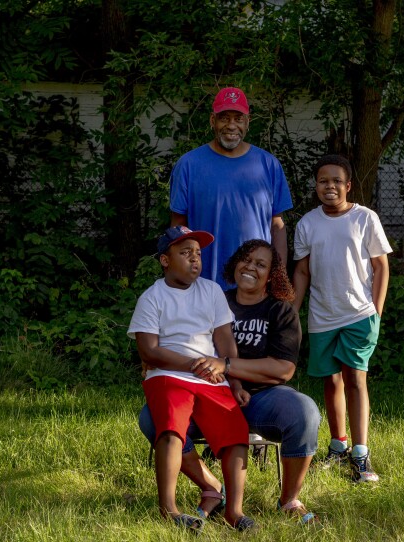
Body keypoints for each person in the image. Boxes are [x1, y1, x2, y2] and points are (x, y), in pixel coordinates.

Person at [139, 239, 321, 524]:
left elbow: (283, 369)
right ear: (235, 263)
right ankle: (211, 487)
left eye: (261, 264)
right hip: (206, 386)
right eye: (246, 260)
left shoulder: (280, 311)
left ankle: (288, 500)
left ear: (272, 274)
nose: (251, 267)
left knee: (305, 412)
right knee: (152, 419)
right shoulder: (212, 296)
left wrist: (229, 368)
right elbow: (174, 334)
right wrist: (155, 356)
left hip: (261, 397)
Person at [128, 225, 256, 533]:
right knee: (172, 429)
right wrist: (191, 363)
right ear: (165, 260)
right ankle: (169, 509)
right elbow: (149, 350)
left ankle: (234, 512)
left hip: (210, 376)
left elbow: (225, 342)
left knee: (236, 433)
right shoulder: (152, 297)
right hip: (168, 375)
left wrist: (235, 381)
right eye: (185, 253)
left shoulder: (211, 291)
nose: (195, 260)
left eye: (198, 254)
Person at [292, 154, 392, 483]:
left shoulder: (365, 218)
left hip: (359, 314)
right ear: (316, 186)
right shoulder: (307, 223)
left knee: (355, 379)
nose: (330, 186)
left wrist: (376, 310)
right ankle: (338, 448)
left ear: (348, 186)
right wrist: (294, 309)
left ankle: (361, 455)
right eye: (323, 181)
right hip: (322, 315)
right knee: (330, 380)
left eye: (336, 181)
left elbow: (380, 266)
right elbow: (303, 270)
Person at [169, 86, 293, 290]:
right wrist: (181, 280)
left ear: (248, 121)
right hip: (204, 285)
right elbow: (178, 228)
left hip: (255, 285)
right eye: (224, 118)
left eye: (238, 118)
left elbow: (277, 226)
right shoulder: (189, 165)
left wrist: (278, 277)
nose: (231, 125)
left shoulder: (268, 165)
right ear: (212, 121)